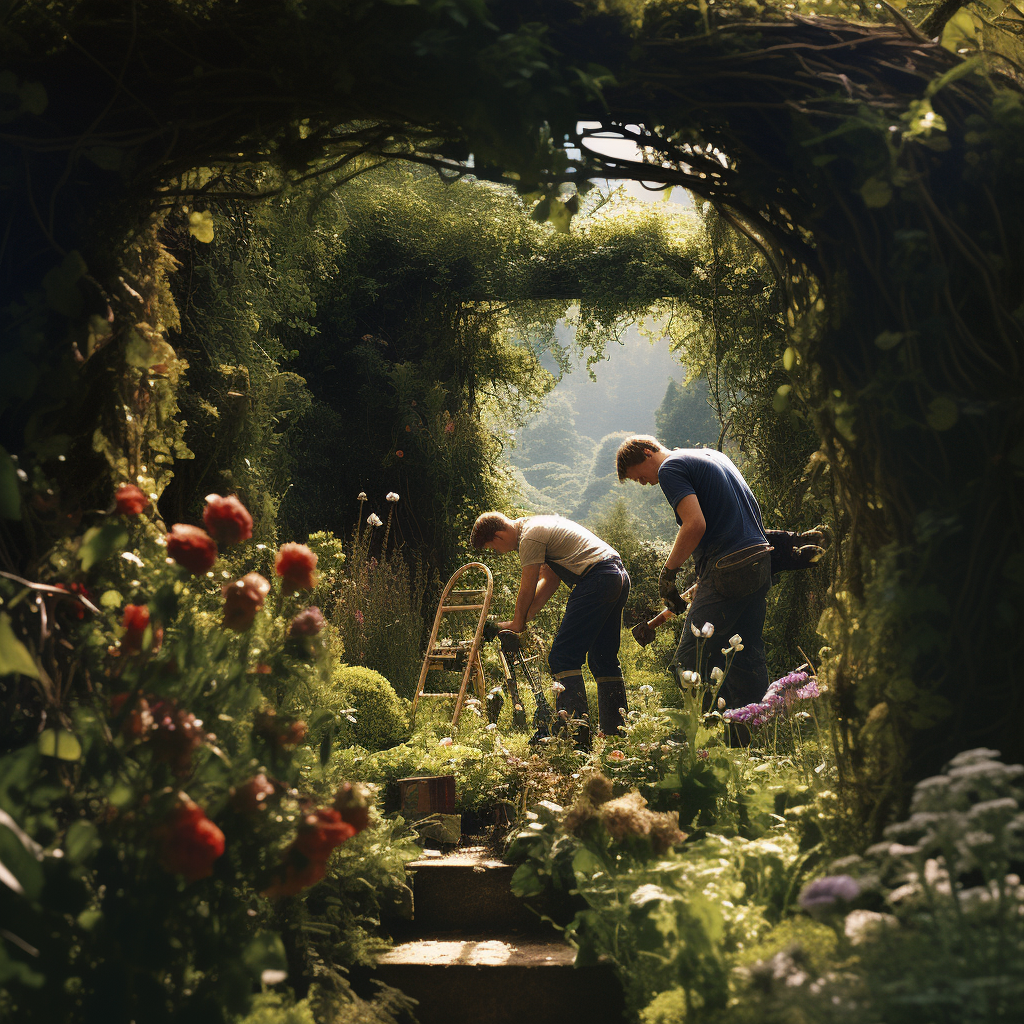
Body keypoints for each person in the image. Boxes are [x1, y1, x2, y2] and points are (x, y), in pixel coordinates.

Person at [616, 435, 776, 722]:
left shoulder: (669, 467)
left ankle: (709, 737)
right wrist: (707, 577)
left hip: (728, 565)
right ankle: (757, 733)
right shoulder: (714, 456)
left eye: (640, 477)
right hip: (759, 560)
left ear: (646, 451)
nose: (646, 483)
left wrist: (668, 574)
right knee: (746, 654)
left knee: (690, 662)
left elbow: (695, 524)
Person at [470, 512, 630, 749]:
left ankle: (576, 741)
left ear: (499, 535)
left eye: (493, 548)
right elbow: (551, 581)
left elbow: (528, 585)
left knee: (562, 658)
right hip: (617, 576)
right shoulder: (539, 525)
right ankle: (617, 733)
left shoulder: (529, 537)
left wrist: (515, 622)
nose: (498, 552)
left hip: (597, 578)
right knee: (603, 659)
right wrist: (522, 621)